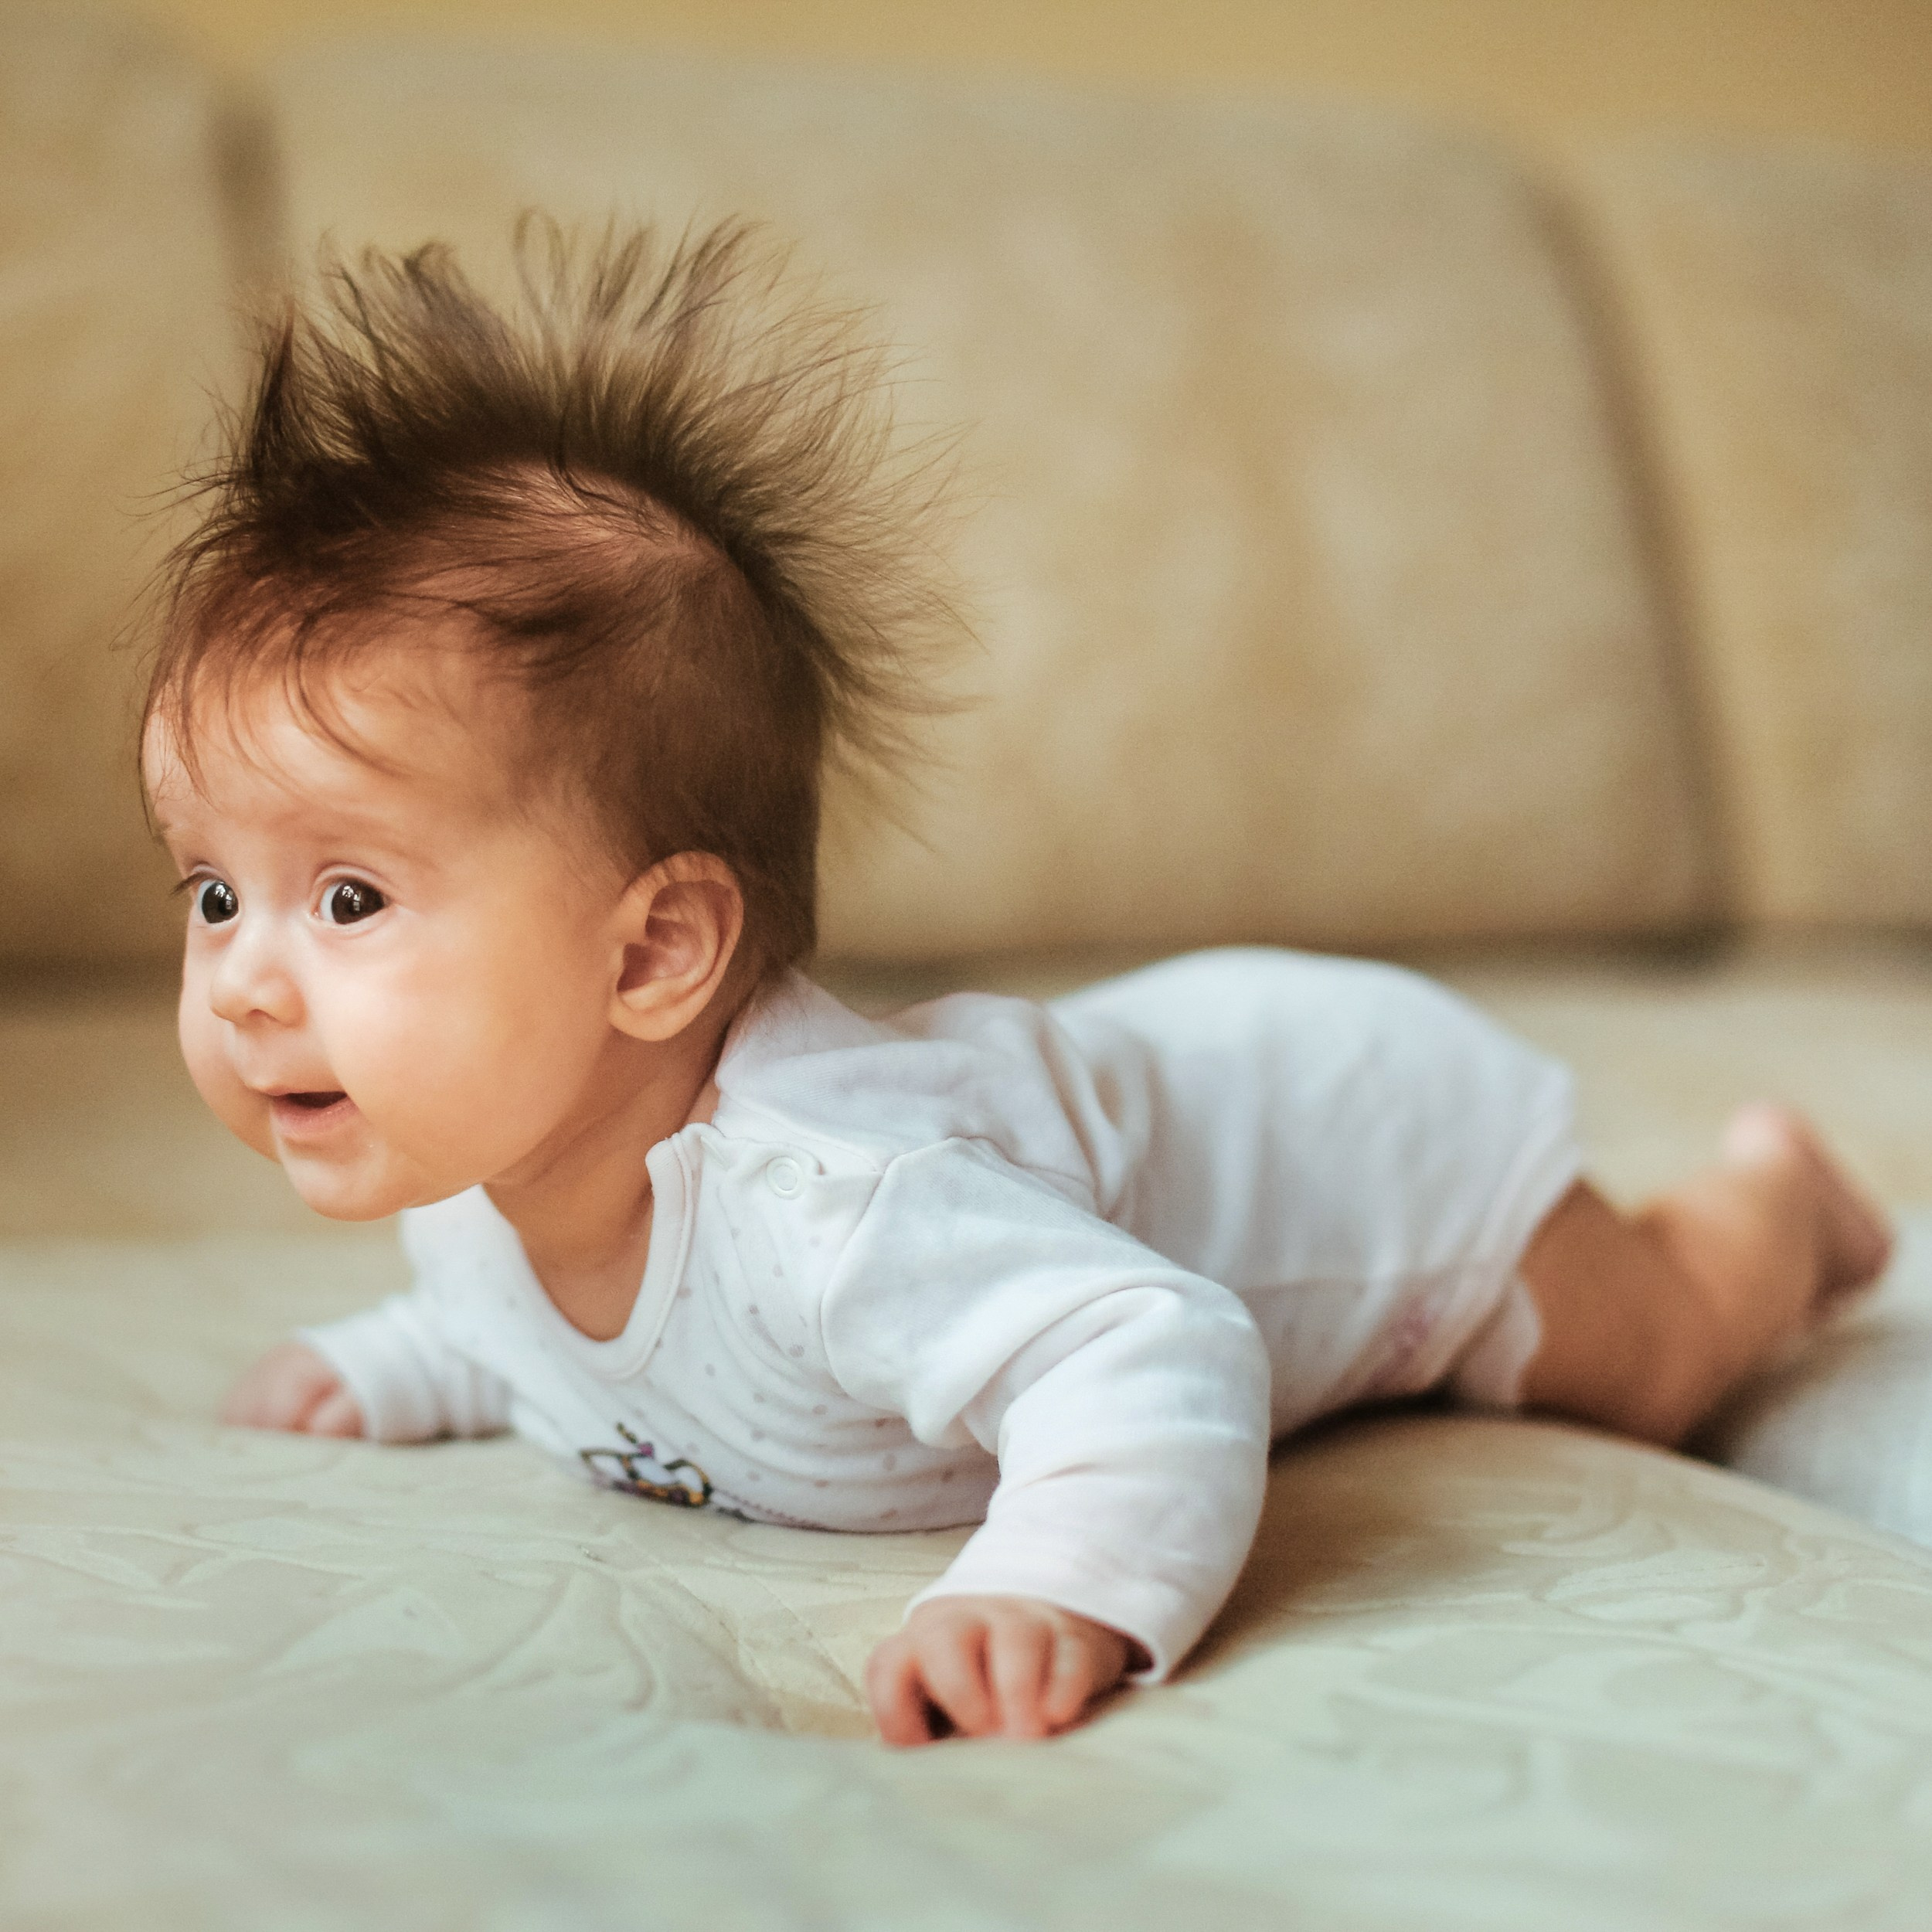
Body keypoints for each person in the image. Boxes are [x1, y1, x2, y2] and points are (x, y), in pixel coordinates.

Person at [145, 219, 1891, 1749]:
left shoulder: (845, 1204)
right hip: (1191, 1081)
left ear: (653, 950)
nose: (239, 979)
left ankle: (1778, 1205)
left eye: (348, 893)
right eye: (218, 891)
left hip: (1371, 1152)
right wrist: (397, 1366)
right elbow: (519, 1320)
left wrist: (1060, 1581)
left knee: (1640, 1357)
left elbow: (1151, 1341)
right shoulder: (472, 1176)